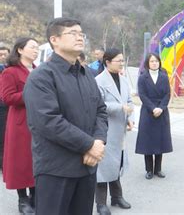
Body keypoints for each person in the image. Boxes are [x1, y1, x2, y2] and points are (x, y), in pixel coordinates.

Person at [23, 17, 108, 215]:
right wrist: (89, 145)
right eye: (73, 34)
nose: (80, 38)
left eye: (81, 34)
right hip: (56, 169)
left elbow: (100, 110)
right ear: (55, 39)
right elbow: (48, 121)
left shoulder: (86, 74)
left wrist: (98, 141)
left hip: (87, 166)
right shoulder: (41, 77)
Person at [1, 38, 38, 214]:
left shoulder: (40, 71)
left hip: (40, 121)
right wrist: (31, 93)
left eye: (37, 47)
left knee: (37, 160)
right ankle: (23, 200)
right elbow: (7, 98)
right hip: (20, 122)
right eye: (32, 47)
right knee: (21, 162)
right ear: (20, 50)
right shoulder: (11, 72)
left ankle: (36, 196)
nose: (36, 50)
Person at [95, 48, 134, 215]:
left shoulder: (123, 80)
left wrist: (130, 119)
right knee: (103, 166)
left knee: (117, 163)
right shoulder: (99, 80)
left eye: (122, 60)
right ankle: (101, 203)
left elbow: (130, 100)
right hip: (105, 129)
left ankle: (117, 197)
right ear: (108, 62)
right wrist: (120, 107)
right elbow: (99, 105)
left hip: (120, 128)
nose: (121, 63)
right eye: (118, 60)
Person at [135, 53, 172, 180]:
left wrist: (161, 108)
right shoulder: (143, 77)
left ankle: (158, 169)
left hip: (162, 112)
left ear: (159, 63)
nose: (154, 63)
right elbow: (142, 95)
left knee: (160, 140)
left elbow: (167, 94)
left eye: (156, 61)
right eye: (152, 61)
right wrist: (153, 108)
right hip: (148, 111)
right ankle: (149, 169)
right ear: (147, 63)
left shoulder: (164, 76)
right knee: (148, 141)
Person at [0, 46, 10, 171]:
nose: (2, 57)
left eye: (4, 54)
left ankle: (2, 162)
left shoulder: (10, 70)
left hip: (4, 106)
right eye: (0, 54)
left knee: (3, 135)